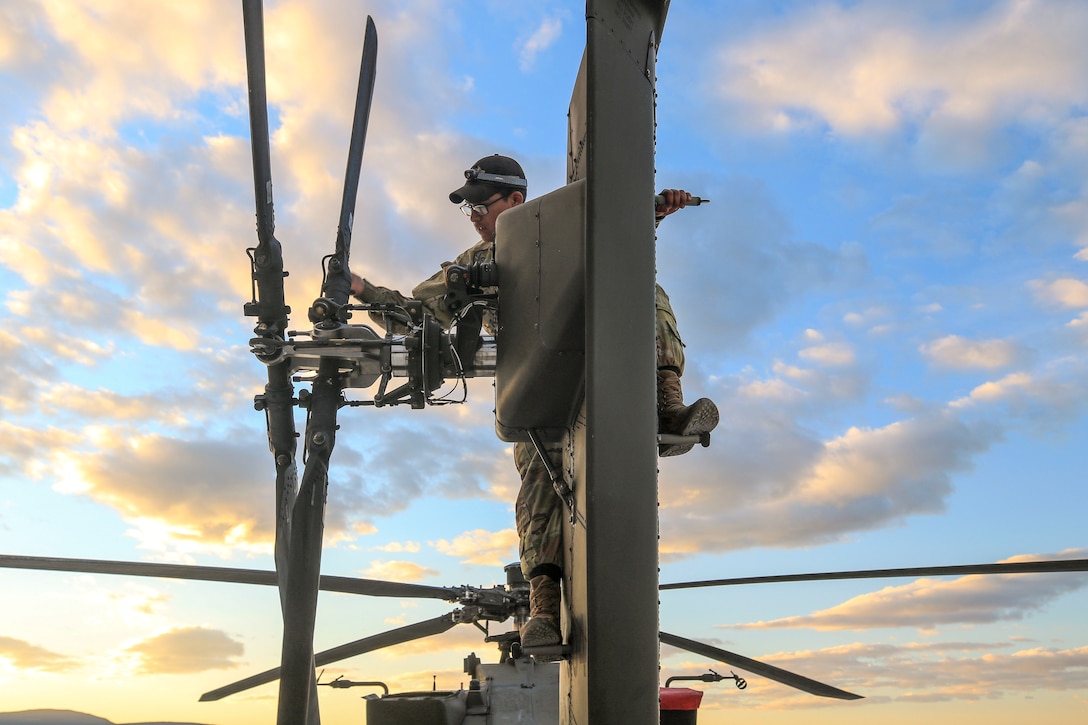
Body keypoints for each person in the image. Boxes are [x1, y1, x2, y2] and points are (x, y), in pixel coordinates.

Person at [350, 154, 718, 648]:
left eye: (481, 204)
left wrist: (648, 213)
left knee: (644, 288)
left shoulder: (565, 236)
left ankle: (669, 409)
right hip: (537, 392)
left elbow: (609, 235)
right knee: (540, 490)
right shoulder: (476, 265)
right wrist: (360, 290)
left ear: (516, 202)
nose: (475, 216)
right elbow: (417, 315)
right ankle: (543, 609)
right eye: (470, 209)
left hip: (600, 372)